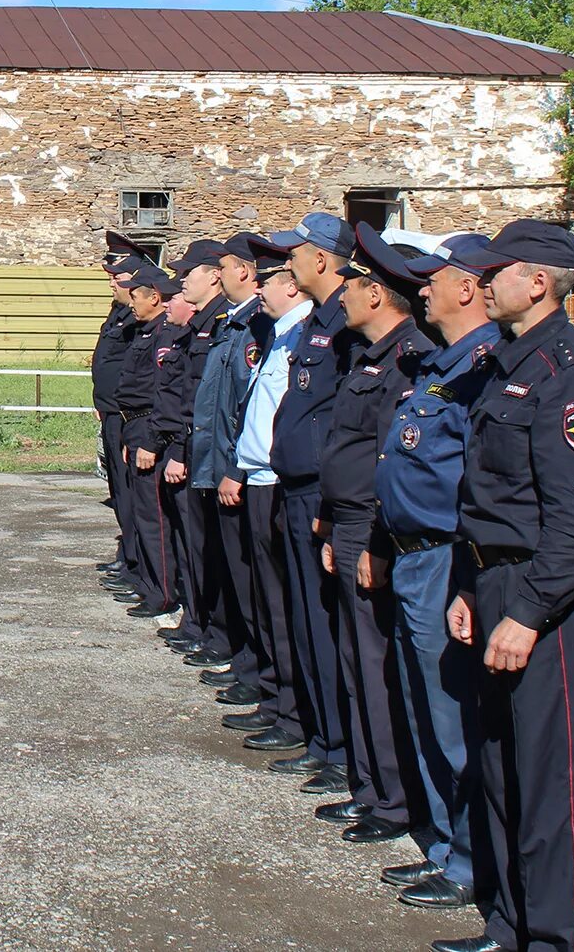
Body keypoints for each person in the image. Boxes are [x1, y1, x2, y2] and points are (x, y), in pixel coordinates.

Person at [437, 219, 574, 952]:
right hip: (493, 584)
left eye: (496, 272)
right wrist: (465, 584)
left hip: (541, 592)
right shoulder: (506, 361)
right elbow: (482, 494)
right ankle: (512, 923)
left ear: (538, 281)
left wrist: (529, 611)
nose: (482, 283)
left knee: (553, 783)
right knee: (500, 766)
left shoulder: (573, 373)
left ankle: (561, 937)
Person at [373, 233, 499, 912]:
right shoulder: (441, 364)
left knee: (453, 716)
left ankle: (468, 859)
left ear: (469, 287)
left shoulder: (482, 367)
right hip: (414, 551)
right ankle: (447, 843)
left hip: (447, 555)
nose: (421, 288)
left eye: (433, 278)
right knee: (426, 709)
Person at [317, 225, 435, 846]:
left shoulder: (408, 359)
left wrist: (374, 541)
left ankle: (393, 800)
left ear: (380, 296)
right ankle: (369, 788)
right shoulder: (367, 357)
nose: (341, 297)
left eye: (353, 287)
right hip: (351, 521)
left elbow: (394, 462)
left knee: (376, 661)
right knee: (355, 660)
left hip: (375, 526)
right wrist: (335, 521)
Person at [267, 212, 365, 798]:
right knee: (307, 618)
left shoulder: (345, 324)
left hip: (322, 495)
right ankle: (322, 737)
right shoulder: (316, 324)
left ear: (324, 259)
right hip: (296, 487)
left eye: (295, 254)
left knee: (328, 625)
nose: (288, 264)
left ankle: (339, 747)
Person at [228, 238, 314, 759]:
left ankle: (291, 709)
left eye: (270, 280)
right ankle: (276, 697)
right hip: (258, 476)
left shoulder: (305, 335)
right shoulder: (281, 335)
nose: (259, 289)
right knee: (268, 599)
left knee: (283, 604)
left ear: (292, 285)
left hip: (280, 482)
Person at [189, 235, 275, 721]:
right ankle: (246, 663)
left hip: (239, 472)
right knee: (238, 577)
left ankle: (256, 671)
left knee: (252, 582)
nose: (216, 276)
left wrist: (232, 470)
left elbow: (246, 410)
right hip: (223, 465)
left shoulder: (255, 329)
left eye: (223, 268)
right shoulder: (233, 326)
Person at [160, 241, 234, 665]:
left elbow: (202, 402)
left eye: (190, 273)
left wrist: (183, 450)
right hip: (187, 445)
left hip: (199, 451)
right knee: (194, 545)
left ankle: (211, 630)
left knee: (204, 548)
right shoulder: (202, 325)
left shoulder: (221, 323)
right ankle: (200, 623)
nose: (182, 280)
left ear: (214, 276)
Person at [120, 268, 188, 618]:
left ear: (154, 298)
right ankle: (149, 583)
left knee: (154, 518)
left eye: (135, 296)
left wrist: (150, 440)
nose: (130, 303)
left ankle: (161, 591)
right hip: (136, 428)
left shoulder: (164, 335)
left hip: (149, 428)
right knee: (143, 513)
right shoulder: (147, 332)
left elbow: (162, 394)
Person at [93, 252, 146, 595]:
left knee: (130, 493)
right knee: (118, 489)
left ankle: (135, 561)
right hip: (110, 411)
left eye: (118, 277)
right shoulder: (118, 312)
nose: (113, 283)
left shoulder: (137, 317)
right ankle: (127, 555)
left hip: (126, 417)